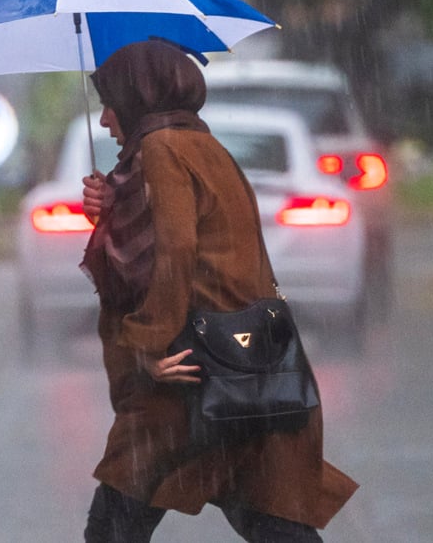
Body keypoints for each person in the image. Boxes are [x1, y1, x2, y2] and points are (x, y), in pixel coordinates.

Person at [79, 40, 358, 542]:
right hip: (241, 368)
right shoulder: (199, 145)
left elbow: (176, 251)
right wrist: (112, 207)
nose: (104, 121)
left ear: (136, 98)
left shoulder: (162, 150)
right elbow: (177, 239)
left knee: (113, 527)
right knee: (270, 520)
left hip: (193, 375)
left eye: (110, 104)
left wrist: (149, 344)